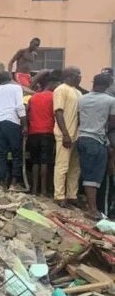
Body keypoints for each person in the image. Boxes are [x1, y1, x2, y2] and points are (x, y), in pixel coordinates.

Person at [76, 73, 115, 219]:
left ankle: (91, 207)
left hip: (83, 138)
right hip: (97, 140)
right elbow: (112, 122)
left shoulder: (82, 99)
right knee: (94, 176)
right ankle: (92, 209)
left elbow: (79, 117)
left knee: (87, 172)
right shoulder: (110, 101)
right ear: (107, 85)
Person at [53, 67, 84, 207]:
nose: (80, 77)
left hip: (76, 136)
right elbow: (58, 113)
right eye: (78, 74)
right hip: (64, 135)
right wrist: (65, 134)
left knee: (74, 168)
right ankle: (59, 196)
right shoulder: (61, 89)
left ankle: (72, 196)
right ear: (69, 75)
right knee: (62, 166)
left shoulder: (78, 92)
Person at [26, 71, 60, 196]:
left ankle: (34, 189)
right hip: (47, 132)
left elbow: (27, 113)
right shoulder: (54, 97)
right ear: (52, 84)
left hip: (33, 133)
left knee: (35, 162)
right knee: (45, 161)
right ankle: (44, 191)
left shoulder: (33, 97)